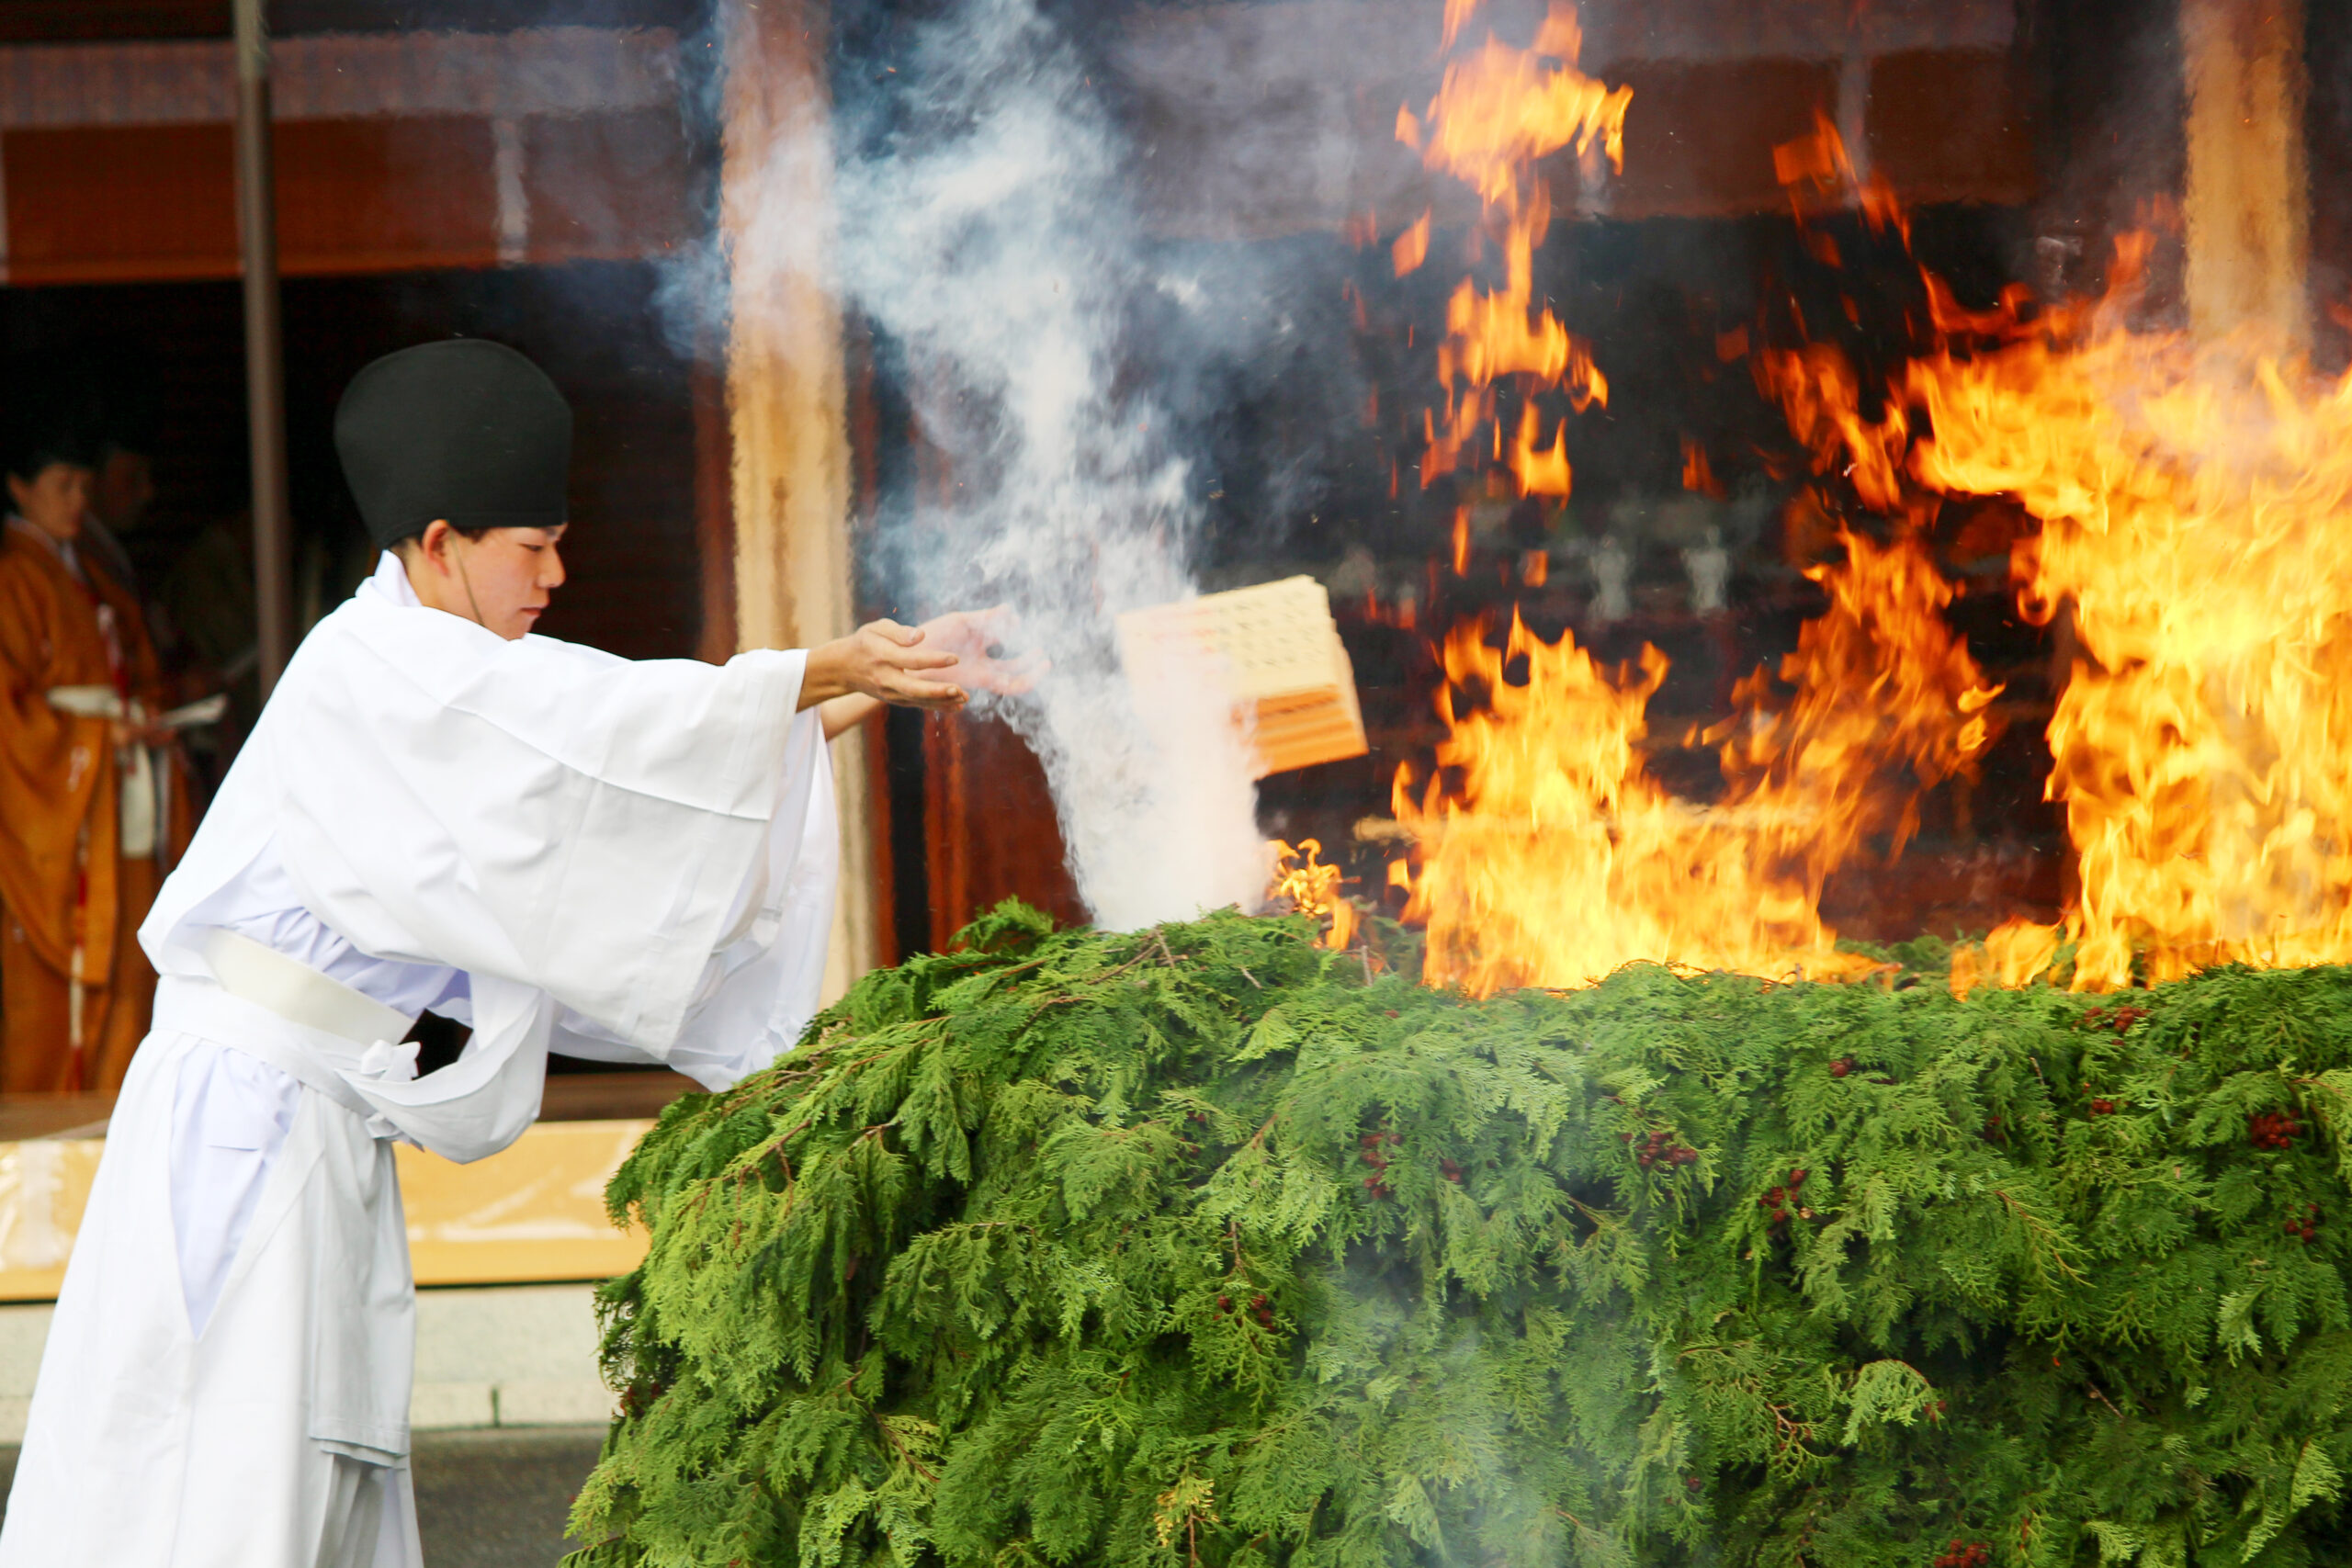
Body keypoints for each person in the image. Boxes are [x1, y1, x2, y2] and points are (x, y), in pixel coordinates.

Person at [0, 339, 1022, 1566]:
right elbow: (596, 732)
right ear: (438, 543)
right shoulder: (368, 666)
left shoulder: (446, 689)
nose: (557, 571)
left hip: (313, 1126)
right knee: (212, 1486)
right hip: (242, 1128)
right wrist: (821, 666)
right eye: (529, 546)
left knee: (304, 1481)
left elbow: (586, 820)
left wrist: (843, 702)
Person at [0, 421, 185, 1095]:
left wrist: (146, 717)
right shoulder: (14, 579)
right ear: (18, 488)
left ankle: (120, 1115)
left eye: (83, 484)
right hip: (61, 807)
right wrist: (102, 737)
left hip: (116, 802)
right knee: (50, 990)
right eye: (61, 485)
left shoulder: (96, 577)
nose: (78, 499)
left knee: (132, 965)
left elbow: (138, 669)